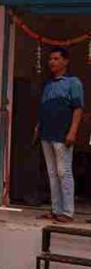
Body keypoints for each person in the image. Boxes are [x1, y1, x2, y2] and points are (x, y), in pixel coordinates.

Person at [35, 47, 84, 222]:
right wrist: (38, 128)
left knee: (64, 172)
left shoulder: (73, 82)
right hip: (46, 133)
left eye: (56, 59)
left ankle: (68, 212)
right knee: (52, 173)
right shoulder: (48, 84)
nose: (52, 62)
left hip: (62, 133)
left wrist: (73, 131)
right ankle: (56, 210)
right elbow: (44, 108)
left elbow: (78, 109)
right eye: (50, 59)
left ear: (65, 61)